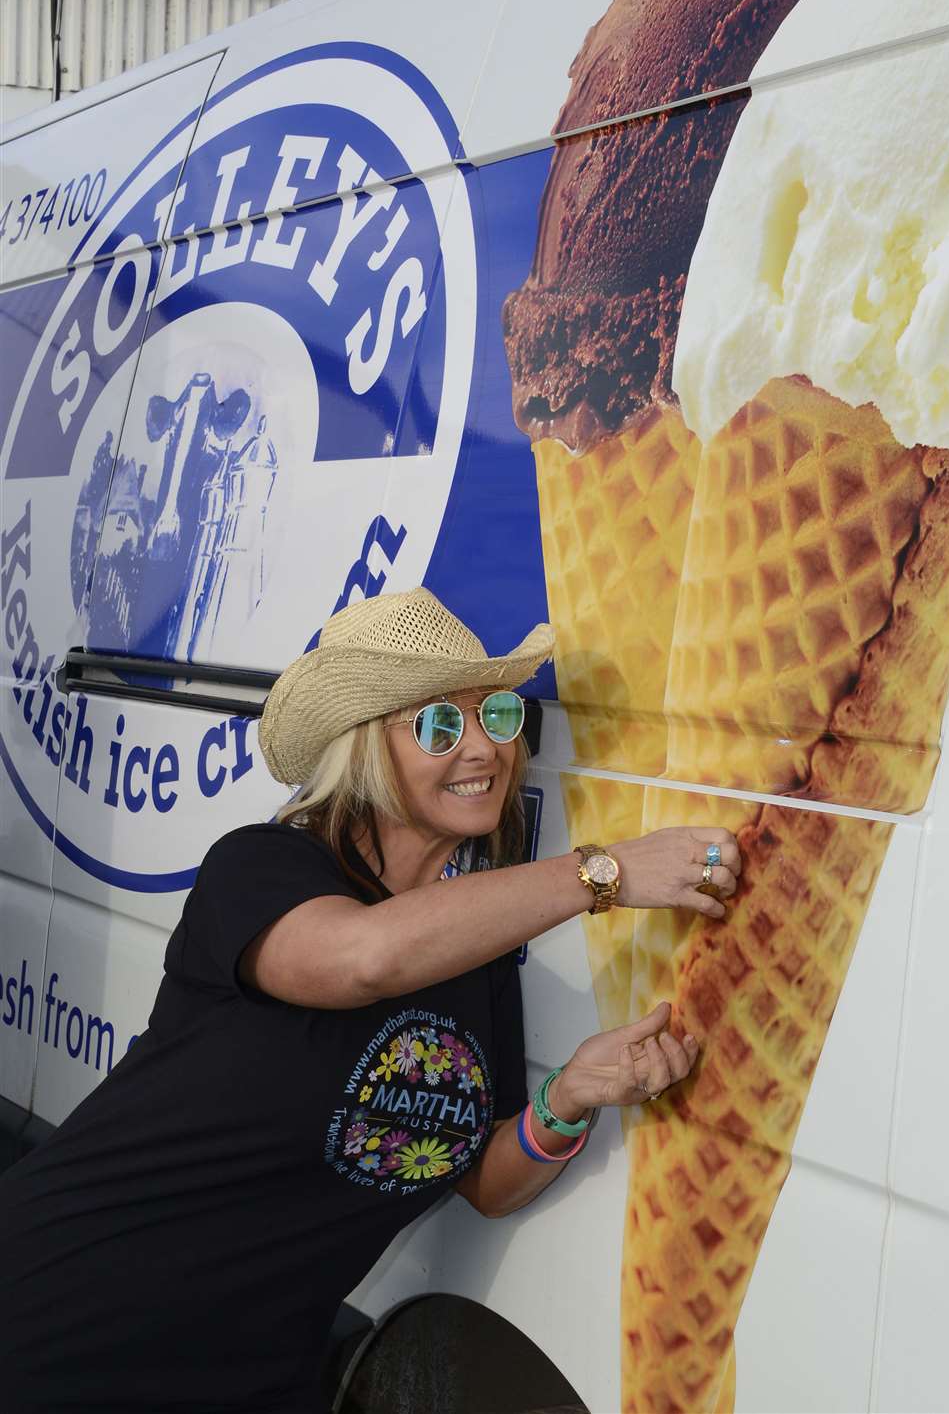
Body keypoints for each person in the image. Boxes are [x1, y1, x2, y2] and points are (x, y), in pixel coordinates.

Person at [0, 587, 741, 1414]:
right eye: (437, 725)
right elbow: (362, 958)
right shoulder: (262, 869)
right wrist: (603, 874)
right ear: (363, 749)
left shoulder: (475, 951)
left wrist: (568, 1098)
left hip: (246, 1380)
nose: (483, 748)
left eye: (498, 716)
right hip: (59, 1332)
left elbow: (486, 1184)